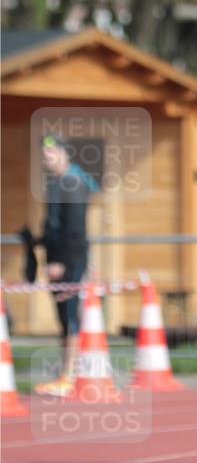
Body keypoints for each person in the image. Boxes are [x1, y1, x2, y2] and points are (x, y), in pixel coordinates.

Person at [33, 135, 100, 397]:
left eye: (51, 152)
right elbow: (54, 224)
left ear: (65, 154)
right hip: (61, 256)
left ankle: (70, 375)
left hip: (69, 258)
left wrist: (58, 260)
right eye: (44, 153)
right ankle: (68, 372)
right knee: (64, 316)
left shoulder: (72, 182)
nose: (47, 157)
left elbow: (74, 226)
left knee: (69, 314)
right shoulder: (59, 182)